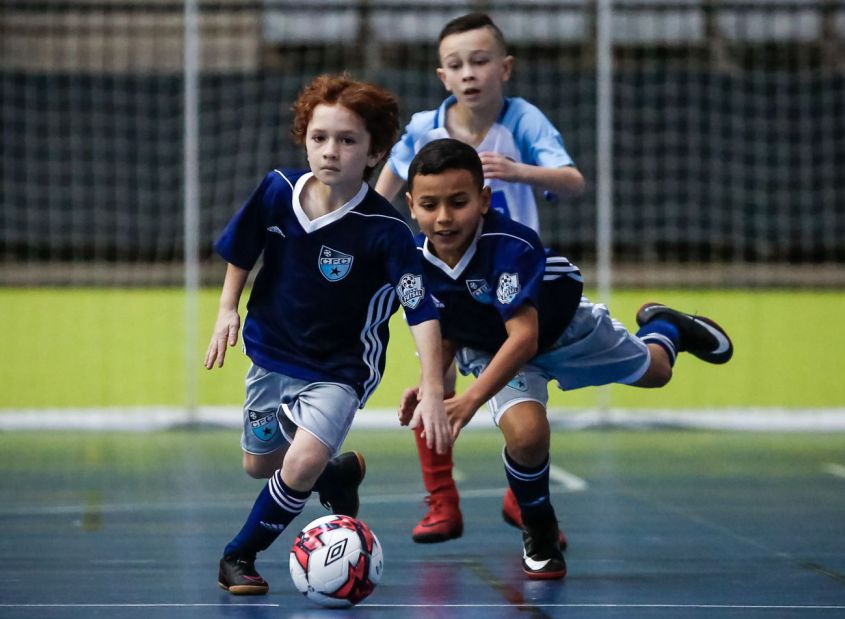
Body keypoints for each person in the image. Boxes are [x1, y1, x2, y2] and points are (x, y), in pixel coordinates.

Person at [399, 139, 733, 579]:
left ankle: (666, 326)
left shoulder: (510, 245)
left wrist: (471, 400)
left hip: (564, 330)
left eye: (458, 202)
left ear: (483, 201)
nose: (443, 217)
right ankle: (539, 528)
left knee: (658, 373)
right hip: (494, 352)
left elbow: (524, 335)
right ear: (411, 206)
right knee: (526, 434)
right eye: (430, 204)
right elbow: (444, 332)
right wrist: (430, 387)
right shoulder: (412, 265)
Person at [205, 74, 452, 595]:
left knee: (302, 459)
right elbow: (242, 249)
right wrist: (228, 308)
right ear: (304, 137)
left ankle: (239, 556)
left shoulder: (386, 232)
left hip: (339, 369)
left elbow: (421, 311)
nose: (331, 151)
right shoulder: (277, 190)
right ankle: (335, 478)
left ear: (375, 152)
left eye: (347, 140)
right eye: (319, 138)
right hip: (270, 355)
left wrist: (432, 386)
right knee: (260, 465)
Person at [375, 12, 585, 545]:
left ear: (505, 68)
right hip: (444, 275)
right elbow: (382, 199)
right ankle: (442, 502)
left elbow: (573, 181)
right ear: (442, 76)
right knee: (434, 380)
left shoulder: (524, 122)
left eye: (480, 60)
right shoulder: (424, 127)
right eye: (456, 64)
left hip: (508, 280)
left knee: (524, 396)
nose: (469, 72)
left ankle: (521, 494)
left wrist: (519, 171)